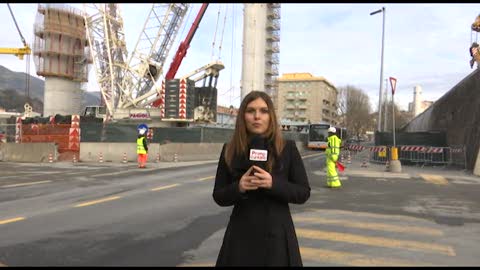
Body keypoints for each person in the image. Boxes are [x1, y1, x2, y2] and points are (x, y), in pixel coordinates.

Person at [212, 91, 311, 266]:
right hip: (241, 236)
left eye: (263, 111)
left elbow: (303, 192)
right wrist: (239, 187)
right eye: (251, 111)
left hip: (277, 236)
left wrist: (273, 184)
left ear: (271, 116)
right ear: (243, 116)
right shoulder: (230, 149)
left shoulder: (287, 148)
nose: (257, 116)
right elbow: (219, 195)